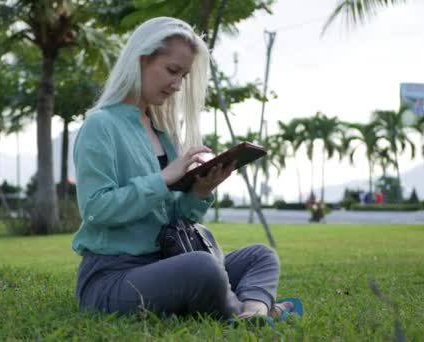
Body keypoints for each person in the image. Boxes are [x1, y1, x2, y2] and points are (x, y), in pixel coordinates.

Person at [71, 17, 301, 325]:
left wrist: (199, 191)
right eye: (172, 70)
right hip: (112, 278)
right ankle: (256, 312)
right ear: (141, 58)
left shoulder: (161, 132)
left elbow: (171, 218)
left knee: (260, 255)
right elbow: (96, 208)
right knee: (202, 268)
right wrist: (163, 179)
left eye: (184, 75)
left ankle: (255, 312)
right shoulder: (100, 125)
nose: (178, 84)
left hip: (168, 263)